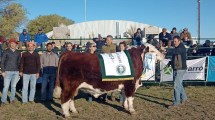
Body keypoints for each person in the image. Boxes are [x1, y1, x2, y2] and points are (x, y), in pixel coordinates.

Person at [167, 36, 188, 108]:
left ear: (179, 41)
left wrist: (166, 50)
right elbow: (175, 56)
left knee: (176, 85)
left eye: (175, 41)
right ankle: (184, 98)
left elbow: (176, 52)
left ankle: (176, 103)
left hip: (180, 69)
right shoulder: (177, 48)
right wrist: (170, 62)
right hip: (177, 68)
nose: (174, 43)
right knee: (179, 84)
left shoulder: (181, 48)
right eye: (173, 41)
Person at [1, 38, 21, 106]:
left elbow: (19, 63)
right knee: (6, 87)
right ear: (10, 44)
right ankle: (3, 101)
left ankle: (12, 100)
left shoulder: (18, 52)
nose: (13, 44)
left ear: (16, 44)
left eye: (14, 43)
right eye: (11, 43)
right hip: (7, 71)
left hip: (16, 72)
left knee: (13, 87)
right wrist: (3, 71)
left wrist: (19, 71)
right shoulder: (6, 51)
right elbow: (2, 62)